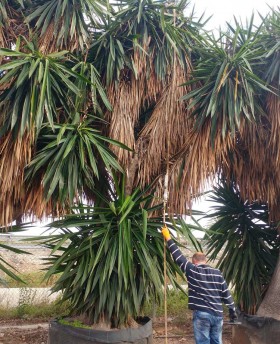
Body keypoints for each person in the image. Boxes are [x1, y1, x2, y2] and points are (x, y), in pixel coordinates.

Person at [161, 226, 237, 344]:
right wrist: (232, 312)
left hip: (202, 314)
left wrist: (168, 237)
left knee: (203, 342)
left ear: (194, 261)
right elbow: (226, 294)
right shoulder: (218, 273)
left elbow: (178, 257)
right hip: (218, 314)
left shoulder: (192, 270)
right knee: (217, 341)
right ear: (205, 260)